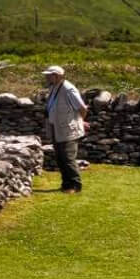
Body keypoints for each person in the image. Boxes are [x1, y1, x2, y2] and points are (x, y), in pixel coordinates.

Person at [43, 65, 88, 193]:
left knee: (68, 158)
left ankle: (75, 185)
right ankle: (66, 184)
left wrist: (80, 121)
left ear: (56, 76)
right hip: (57, 128)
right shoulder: (54, 88)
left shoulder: (68, 89)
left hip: (68, 129)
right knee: (60, 158)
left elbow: (82, 108)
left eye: (49, 75)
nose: (46, 77)